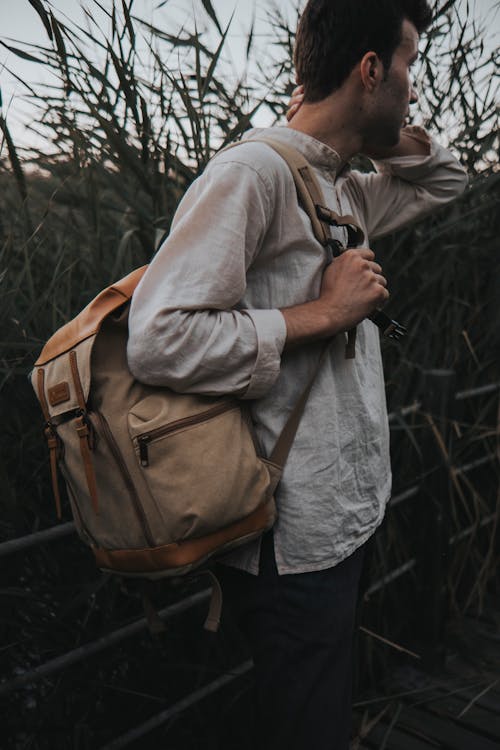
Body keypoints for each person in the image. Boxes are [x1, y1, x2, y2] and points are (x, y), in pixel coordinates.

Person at [127, 1, 467, 747]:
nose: (413, 86)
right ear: (370, 68)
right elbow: (157, 339)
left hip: (346, 516)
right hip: (291, 537)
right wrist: (323, 314)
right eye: (406, 66)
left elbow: (447, 180)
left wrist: (379, 130)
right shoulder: (253, 174)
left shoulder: (337, 183)